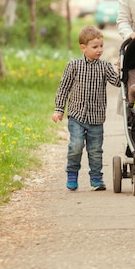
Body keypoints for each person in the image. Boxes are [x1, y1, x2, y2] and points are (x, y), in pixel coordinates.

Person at [52, 25, 121, 191]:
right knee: (75, 147)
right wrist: (59, 109)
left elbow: (118, 83)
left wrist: (119, 69)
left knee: (95, 150)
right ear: (83, 48)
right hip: (77, 116)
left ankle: (96, 179)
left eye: (101, 46)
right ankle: (72, 174)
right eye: (95, 47)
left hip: (96, 118)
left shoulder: (104, 66)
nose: (99, 50)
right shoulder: (73, 66)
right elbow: (63, 88)